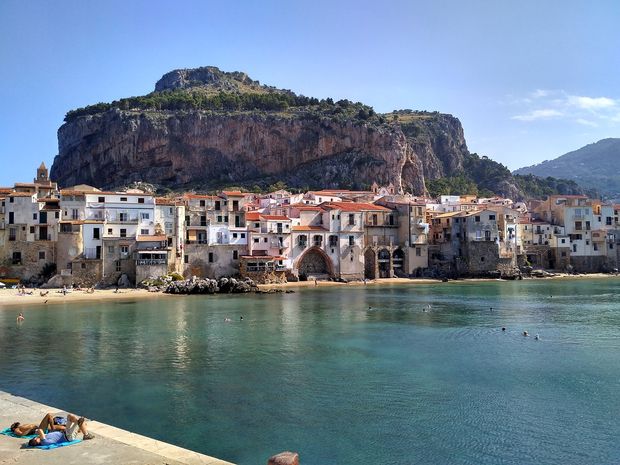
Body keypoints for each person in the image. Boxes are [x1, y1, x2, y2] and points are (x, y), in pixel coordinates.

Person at [27, 414, 94, 446]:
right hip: (69, 436)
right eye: (35, 438)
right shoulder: (44, 442)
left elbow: (41, 433)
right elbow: (40, 430)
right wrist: (38, 436)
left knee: (70, 416)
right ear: (36, 441)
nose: (36, 437)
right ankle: (85, 434)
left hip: (65, 432)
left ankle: (79, 423)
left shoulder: (43, 439)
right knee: (79, 422)